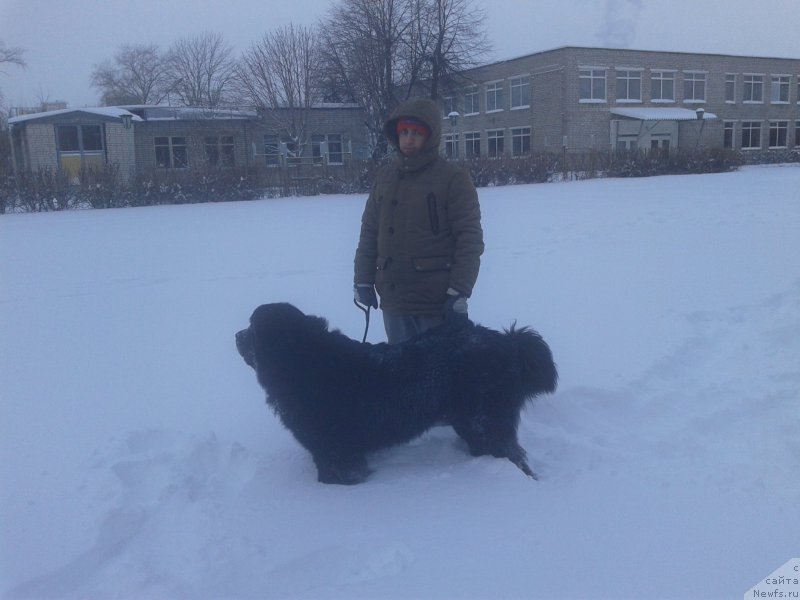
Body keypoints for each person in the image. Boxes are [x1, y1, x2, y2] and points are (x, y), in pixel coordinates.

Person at [354, 97, 484, 344]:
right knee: (402, 376)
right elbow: (369, 232)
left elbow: (469, 239)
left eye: (416, 133)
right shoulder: (385, 177)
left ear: (430, 137)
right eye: (404, 132)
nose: (409, 139)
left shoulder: (452, 179)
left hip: (435, 303)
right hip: (394, 300)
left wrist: (459, 291)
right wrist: (362, 278)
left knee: (438, 377)